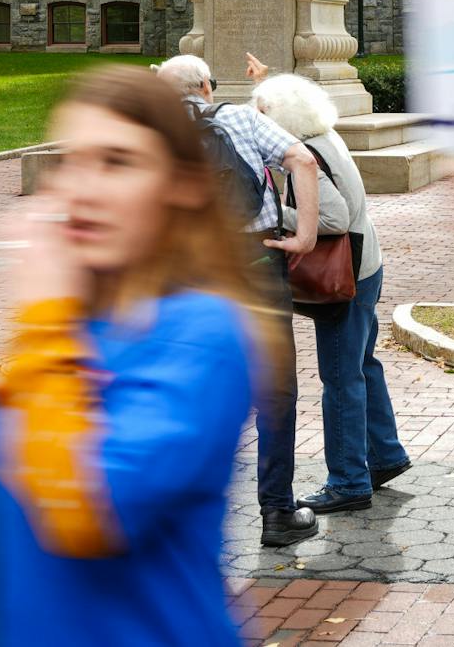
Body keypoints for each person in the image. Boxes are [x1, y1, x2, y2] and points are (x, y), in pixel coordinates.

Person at [0, 65, 280, 646]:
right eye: (71, 160)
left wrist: (41, 317)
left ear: (183, 185)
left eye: (117, 162)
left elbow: (85, 511)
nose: (81, 188)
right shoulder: (74, 329)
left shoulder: (204, 334)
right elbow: (3, 485)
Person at [155, 53, 322, 547]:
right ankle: (277, 512)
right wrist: (306, 235)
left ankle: (185, 515)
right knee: (274, 389)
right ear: (207, 85)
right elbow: (303, 160)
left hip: (187, 272)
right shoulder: (242, 118)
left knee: (188, 386)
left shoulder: (152, 132)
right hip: (255, 264)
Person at [249, 64, 412, 513]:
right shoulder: (323, 134)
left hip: (345, 275)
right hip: (367, 266)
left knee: (340, 378)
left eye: (263, 114)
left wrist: (276, 218)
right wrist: (266, 76)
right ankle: (384, 456)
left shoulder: (309, 156)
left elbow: (332, 218)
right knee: (361, 365)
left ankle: (348, 482)